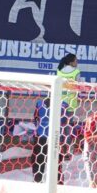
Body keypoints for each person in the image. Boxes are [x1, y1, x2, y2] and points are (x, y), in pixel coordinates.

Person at [32, 52, 79, 183]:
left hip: (42, 135)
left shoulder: (59, 71)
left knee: (40, 158)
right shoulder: (76, 72)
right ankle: (57, 179)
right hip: (65, 110)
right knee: (55, 158)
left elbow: (35, 119)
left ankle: (38, 180)